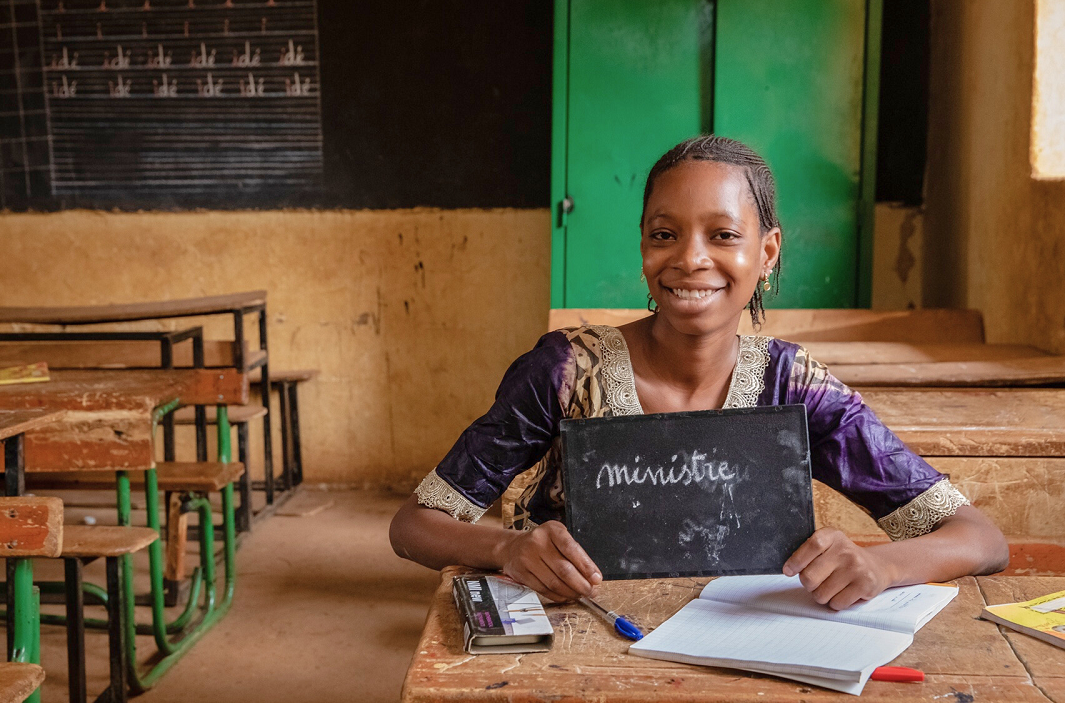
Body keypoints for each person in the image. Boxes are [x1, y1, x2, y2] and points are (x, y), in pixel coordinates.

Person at [389, 135, 1008, 611]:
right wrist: (507, 547)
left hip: (745, 649)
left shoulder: (795, 387)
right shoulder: (565, 370)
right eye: (665, 233)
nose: (689, 258)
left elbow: (980, 538)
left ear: (766, 253)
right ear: (642, 245)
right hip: (583, 639)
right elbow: (414, 525)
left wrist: (881, 566)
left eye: (722, 235)